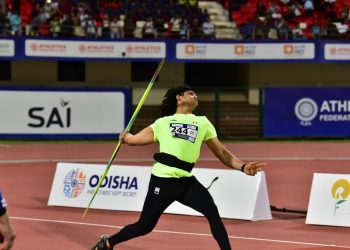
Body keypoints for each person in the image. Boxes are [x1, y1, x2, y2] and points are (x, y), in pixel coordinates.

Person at [91, 85, 266, 250]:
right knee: (144, 227)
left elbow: (222, 152)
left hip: (186, 182)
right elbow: (134, 140)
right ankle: (107, 243)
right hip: (162, 181)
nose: (196, 96)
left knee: (212, 212)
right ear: (179, 98)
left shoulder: (203, 123)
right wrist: (125, 137)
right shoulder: (162, 123)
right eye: (191, 93)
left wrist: (242, 167)